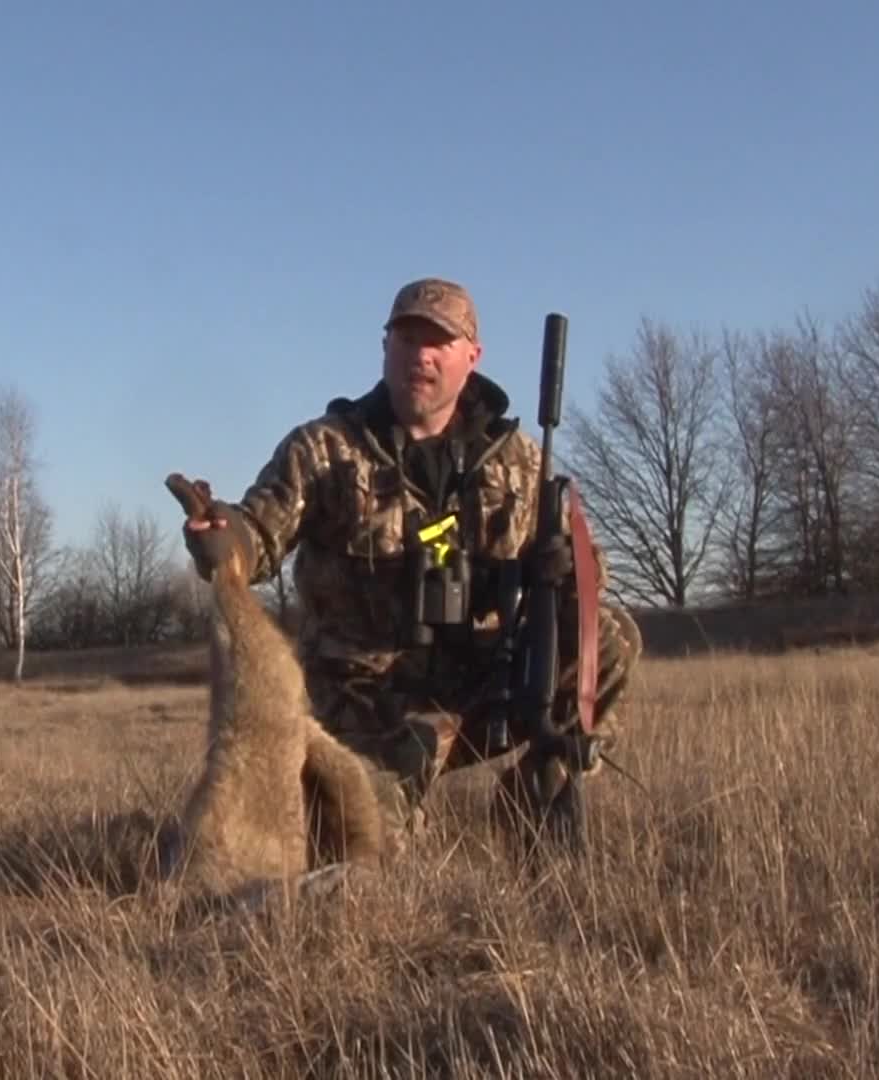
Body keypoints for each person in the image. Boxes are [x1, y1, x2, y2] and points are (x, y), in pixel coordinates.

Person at [180, 277, 643, 846]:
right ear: (385, 348)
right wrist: (226, 540)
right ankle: (377, 802)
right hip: (365, 701)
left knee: (612, 637)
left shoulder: (521, 463)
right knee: (369, 855)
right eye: (407, 339)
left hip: (478, 682)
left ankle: (539, 790)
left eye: (439, 342)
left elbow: (589, 581)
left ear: (471, 357)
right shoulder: (324, 450)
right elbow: (257, 533)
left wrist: (566, 571)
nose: (421, 356)